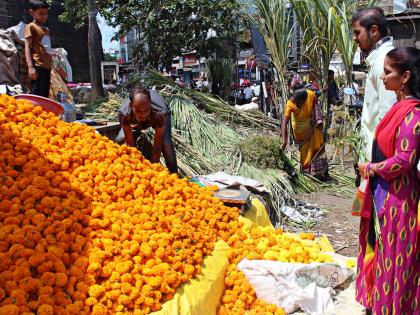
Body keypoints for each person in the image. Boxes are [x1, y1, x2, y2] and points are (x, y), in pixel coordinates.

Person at [355, 47, 420, 315]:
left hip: (400, 198)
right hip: (386, 193)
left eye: (388, 72)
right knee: (383, 253)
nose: (382, 78)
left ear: (404, 77)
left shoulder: (412, 115)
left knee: (396, 258)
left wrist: (371, 168)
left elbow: (405, 160)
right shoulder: (398, 108)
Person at [352, 7, 397, 162]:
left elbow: (389, 120)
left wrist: (378, 168)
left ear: (374, 30)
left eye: (357, 32)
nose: (354, 38)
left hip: (379, 162)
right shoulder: (379, 60)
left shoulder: (385, 62)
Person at [117, 85, 178, 174]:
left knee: (166, 144)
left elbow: (158, 142)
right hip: (134, 120)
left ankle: (174, 174)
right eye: (138, 111)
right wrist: (135, 166)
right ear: (131, 105)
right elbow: (130, 143)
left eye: (146, 110)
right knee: (120, 140)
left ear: (150, 104)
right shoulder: (124, 115)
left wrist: (154, 166)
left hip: (156, 117)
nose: (143, 114)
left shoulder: (160, 113)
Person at [281, 87, 329, 180]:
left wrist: (316, 119)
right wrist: (284, 141)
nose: (303, 104)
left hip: (312, 128)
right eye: (302, 102)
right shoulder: (290, 104)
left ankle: (319, 172)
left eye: (304, 102)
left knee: (317, 147)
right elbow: (284, 122)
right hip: (299, 132)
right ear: (297, 100)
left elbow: (315, 101)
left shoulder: (310, 95)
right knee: (304, 152)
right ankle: (306, 171)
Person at [25, 0, 52, 98]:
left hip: (47, 67)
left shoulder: (46, 29)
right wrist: (30, 67)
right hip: (38, 67)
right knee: (37, 95)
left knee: (45, 95)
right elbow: (27, 46)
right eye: (41, 13)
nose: (44, 16)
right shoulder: (31, 27)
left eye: (46, 13)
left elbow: (46, 48)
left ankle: (42, 113)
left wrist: (55, 53)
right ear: (32, 13)